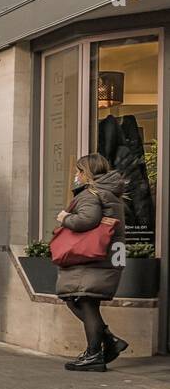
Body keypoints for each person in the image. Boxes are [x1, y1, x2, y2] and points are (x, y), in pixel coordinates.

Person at [56, 154, 128, 372]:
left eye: (79, 171)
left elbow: (86, 220)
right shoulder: (110, 193)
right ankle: (107, 343)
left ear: (86, 173)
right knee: (83, 301)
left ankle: (95, 354)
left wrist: (64, 218)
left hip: (92, 258)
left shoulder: (92, 194)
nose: (76, 176)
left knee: (83, 302)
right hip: (105, 257)